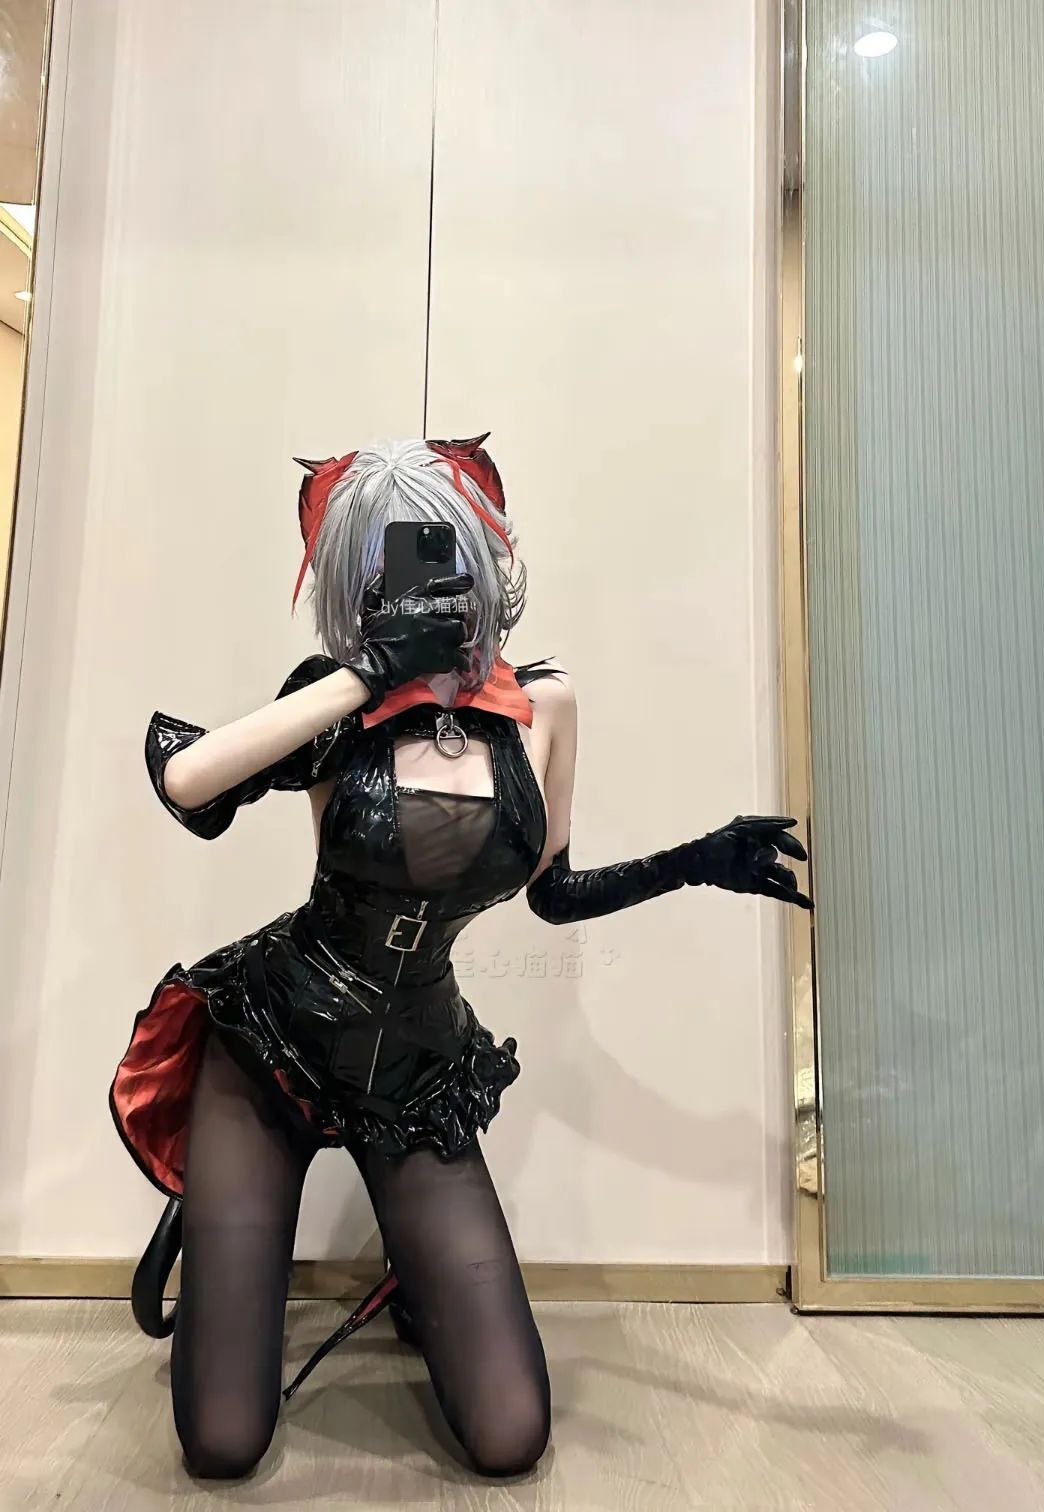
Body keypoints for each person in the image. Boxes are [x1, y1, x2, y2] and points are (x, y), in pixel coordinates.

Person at [110, 434, 811, 1482]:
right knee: (222, 1442)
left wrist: (693, 863)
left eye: (441, 552)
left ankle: (410, 1271)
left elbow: (554, 894)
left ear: (484, 561)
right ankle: (220, 1217)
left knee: (509, 1433)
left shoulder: (542, 706)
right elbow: (189, 783)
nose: (423, 582)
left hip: (415, 1065)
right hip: (269, 1050)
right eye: (389, 561)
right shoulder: (337, 702)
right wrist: (364, 674)